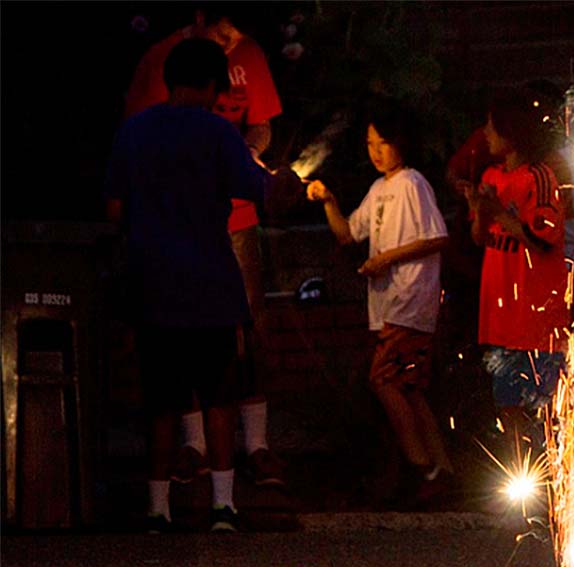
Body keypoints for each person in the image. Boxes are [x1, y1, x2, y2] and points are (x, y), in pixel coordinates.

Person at [106, 38, 272, 532]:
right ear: (210, 86)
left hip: (152, 283)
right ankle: (223, 505)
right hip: (211, 284)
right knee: (219, 394)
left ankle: (157, 509)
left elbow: (114, 208)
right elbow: (256, 189)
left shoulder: (134, 132)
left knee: (161, 401)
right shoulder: (218, 133)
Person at [306, 105, 455, 504]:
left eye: (383, 143)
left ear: (401, 143)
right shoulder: (379, 189)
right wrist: (329, 202)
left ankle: (420, 465)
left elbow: (437, 237)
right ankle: (440, 469)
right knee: (408, 385)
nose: (376, 152)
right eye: (370, 144)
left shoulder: (412, 183)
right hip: (389, 302)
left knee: (385, 380)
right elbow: (348, 235)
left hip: (409, 299)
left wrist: (387, 259)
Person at [464, 91, 571, 459]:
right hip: (500, 320)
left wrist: (499, 212)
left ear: (512, 133)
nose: (486, 134)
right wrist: (480, 210)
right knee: (506, 404)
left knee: (542, 409)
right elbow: (479, 238)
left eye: (492, 127)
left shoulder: (539, 178)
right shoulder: (491, 176)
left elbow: (543, 237)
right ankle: (519, 474)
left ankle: (549, 477)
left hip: (535, 319)